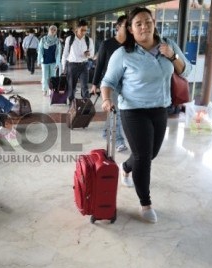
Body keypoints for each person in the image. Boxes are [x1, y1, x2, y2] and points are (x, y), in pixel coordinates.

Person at [100, 7, 192, 223]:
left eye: (147, 22)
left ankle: (126, 167)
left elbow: (186, 71)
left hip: (160, 108)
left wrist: (173, 55)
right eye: (138, 23)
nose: (144, 26)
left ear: (154, 23)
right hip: (133, 110)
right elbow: (108, 82)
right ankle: (145, 203)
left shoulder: (167, 45)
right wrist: (105, 99)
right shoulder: (123, 54)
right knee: (143, 158)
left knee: (150, 154)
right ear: (131, 29)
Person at [91, 15, 128, 152]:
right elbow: (99, 65)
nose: (130, 29)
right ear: (117, 27)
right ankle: (119, 141)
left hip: (126, 84)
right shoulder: (107, 44)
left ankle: (106, 132)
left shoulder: (131, 45)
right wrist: (94, 84)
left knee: (115, 112)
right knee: (116, 112)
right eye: (126, 26)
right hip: (111, 85)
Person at [61, 20, 95, 105]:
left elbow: (92, 54)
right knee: (71, 87)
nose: (84, 32)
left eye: (85, 30)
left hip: (84, 65)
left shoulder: (88, 40)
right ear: (77, 29)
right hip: (72, 66)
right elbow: (65, 54)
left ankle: (86, 105)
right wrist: (63, 67)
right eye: (82, 30)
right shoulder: (70, 39)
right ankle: (72, 104)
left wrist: (88, 54)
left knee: (85, 87)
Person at [37, 25, 62, 96]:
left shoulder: (57, 41)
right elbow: (40, 50)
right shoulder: (44, 39)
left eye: (54, 30)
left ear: (56, 31)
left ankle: (51, 89)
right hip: (45, 62)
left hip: (53, 62)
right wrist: (39, 61)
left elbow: (58, 53)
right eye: (51, 29)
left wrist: (58, 63)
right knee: (45, 77)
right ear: (49, 30)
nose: (53, 31)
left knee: (53, 77)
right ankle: (44, 89)